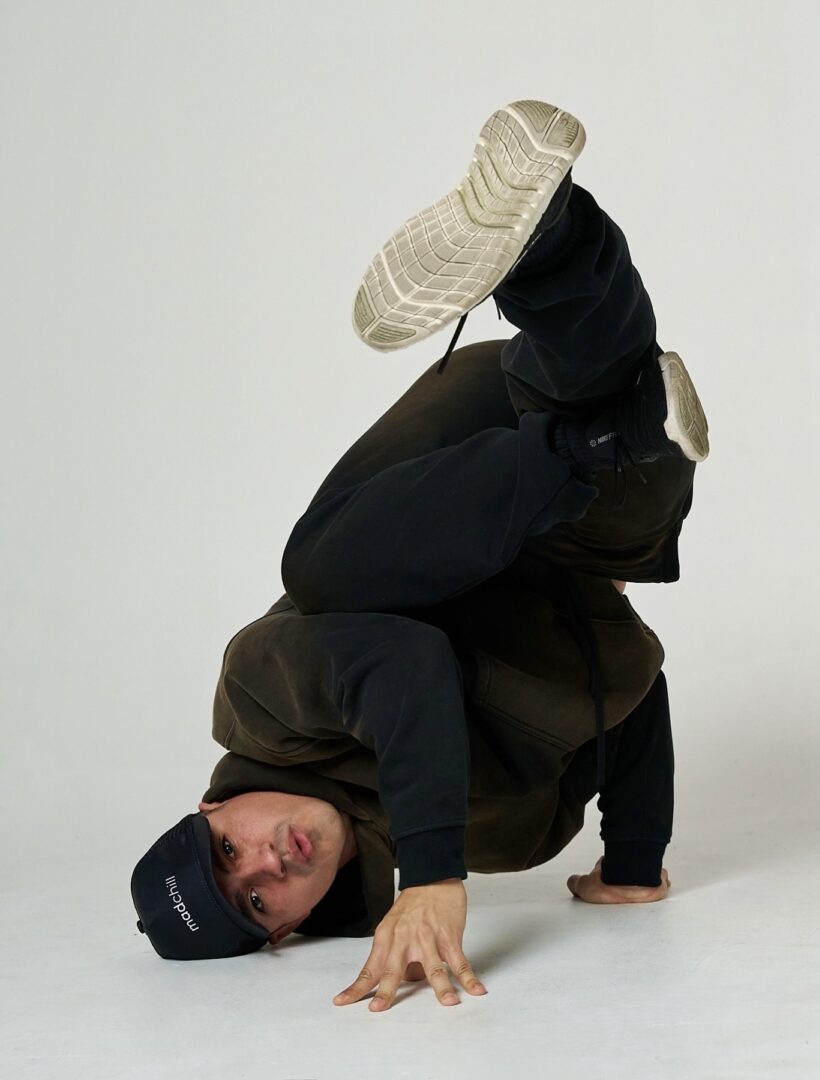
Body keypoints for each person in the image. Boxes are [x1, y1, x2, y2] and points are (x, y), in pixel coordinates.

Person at [131, 100, 709, 1013]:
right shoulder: (510, 835)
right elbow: (633, 707)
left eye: (227, 846)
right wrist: (634, 863)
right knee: (614, 409)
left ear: (212, 808)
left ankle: (579, 424)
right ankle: (547, 231)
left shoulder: (260, 700)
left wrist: (433, 873)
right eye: (255, 900)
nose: (266, 863)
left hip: (476, 445)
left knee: (316, 574)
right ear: (284, 933)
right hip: (598, 516)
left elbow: (403, 665)